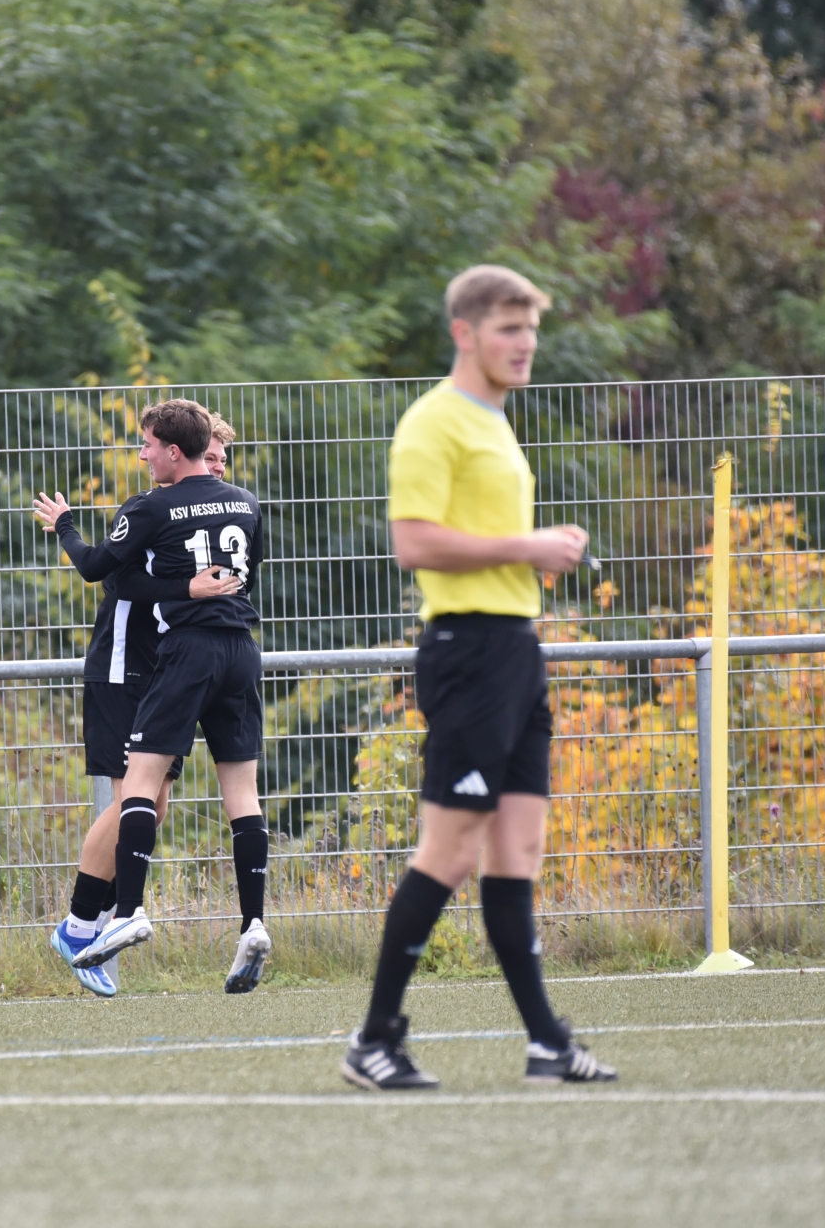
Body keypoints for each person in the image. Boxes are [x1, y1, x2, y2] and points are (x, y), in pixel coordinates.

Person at [340, 265, 617, 1091]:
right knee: (452, 849)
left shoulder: (496, 420)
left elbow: (483, 537)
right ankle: (374, 1040)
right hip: (466, 652)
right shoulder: (434, 422)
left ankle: (547, 1043)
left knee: (517, 850)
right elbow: (414, 543)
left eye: (530, 329)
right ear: (465, 333)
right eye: (508, 329)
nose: (525, 344)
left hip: (516, 650)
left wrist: (539, 557)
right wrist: (528, 548)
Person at [38, 400, 271, 987]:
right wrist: (186, 588)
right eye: (210, 456)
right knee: (137, 800)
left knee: (151, 804)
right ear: (190, 452)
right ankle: (83, 925)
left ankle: (111, 919)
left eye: (223, 460)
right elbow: (112, 576)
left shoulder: (189, 504)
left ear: (174, 451)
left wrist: (187, 590)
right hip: (130, 665)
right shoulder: (161, 506)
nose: (216, 468)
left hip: (180, 659)